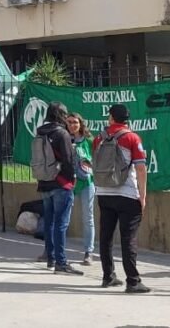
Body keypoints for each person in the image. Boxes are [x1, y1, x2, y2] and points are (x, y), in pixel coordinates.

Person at [93, 104, 150, 293]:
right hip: (126, 194)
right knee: (128, 239)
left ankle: (108, 276)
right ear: (127, 119)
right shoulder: (132, 137)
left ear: (111, 117)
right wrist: (142, 196)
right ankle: (133, 281)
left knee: (105, 236)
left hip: (103, 193)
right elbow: (141, 169)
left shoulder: (99, 138)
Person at [36, 102, 84, 275]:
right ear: (60, 115)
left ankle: (51, 257)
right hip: (61, 183)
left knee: (49, 222)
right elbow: (68, 159)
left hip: (44, 183)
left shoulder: (40, 132)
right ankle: (61, 263)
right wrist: (73, 177)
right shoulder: (61, 133)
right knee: (61, 224)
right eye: (64, 115)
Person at [67, 113, 96, 266]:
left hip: (86, 182)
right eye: (69, 122)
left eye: (75, 122)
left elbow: (97, 158)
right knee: (63, 217)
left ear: (81, 123)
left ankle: (88, 252)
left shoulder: (89, 141)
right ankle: (54, 251)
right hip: (68, 183)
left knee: (88, 217)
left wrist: (90, 165)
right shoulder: (64, 138)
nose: (72, 125)